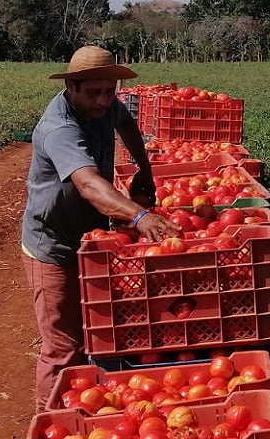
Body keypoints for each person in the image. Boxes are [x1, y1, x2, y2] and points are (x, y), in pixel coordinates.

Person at [21, 45, 181, 413]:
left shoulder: (105, 105)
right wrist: (140, 217)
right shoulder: (59, 129)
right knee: (63, 346)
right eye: (94, 93)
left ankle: (85, 407)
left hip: (90, 238)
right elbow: (89, 185)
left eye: (110, 92)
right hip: (53, 245)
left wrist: (144, 168)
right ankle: (49, 417)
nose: (104, 101)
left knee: (93, 327)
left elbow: (126, 123)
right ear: (71, 87)